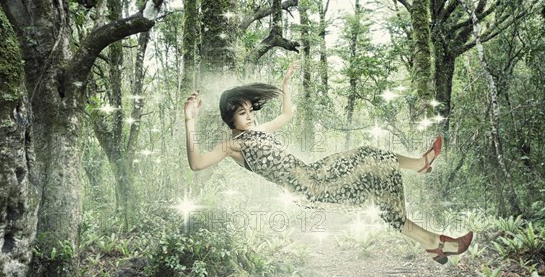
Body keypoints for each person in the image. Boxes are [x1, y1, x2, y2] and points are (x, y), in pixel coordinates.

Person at [183, 63, 473, 264]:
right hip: (310, 188)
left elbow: (286, 115)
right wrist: (189, 121)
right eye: (241, 113)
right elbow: (196, 163)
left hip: (316, 173)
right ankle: (439, 239)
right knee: (374, 173)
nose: (249, 116)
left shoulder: (258, 131)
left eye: (250, 110)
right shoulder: (231, 145)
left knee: (370, 157)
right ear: (229, 118)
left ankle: (425, 202)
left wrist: (285, 86)